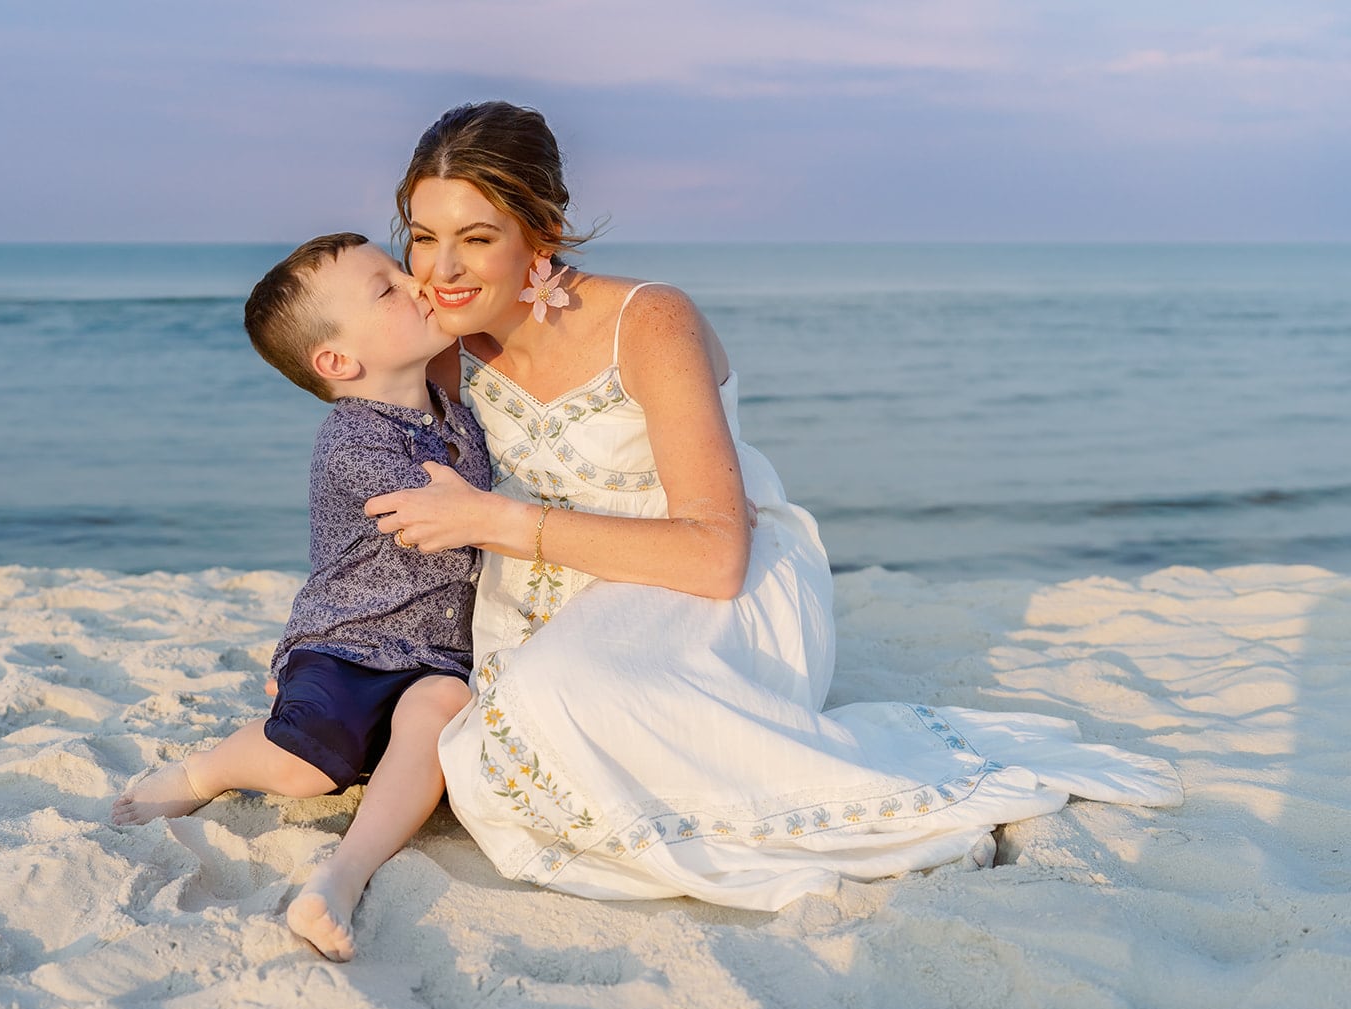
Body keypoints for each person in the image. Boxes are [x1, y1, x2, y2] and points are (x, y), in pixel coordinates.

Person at [364, 102, 1183, 910]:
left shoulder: (649, 321)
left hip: (722, 584)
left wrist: (497, 521)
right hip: (552, 599)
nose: (442, 269)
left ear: (541, 232)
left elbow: (717, 556)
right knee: (509, 740)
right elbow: (370, 453)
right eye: (424, 237)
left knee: (561, 693)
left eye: (478, 238)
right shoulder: (442, 347)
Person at [112, 233, 491, 958]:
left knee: (441, 705)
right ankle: (206, 768)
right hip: (351, 641)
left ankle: (341, 875)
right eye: (386, 288)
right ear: (339, 362)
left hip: (438, 653)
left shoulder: (454, 412)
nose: (416, 282)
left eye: (399, 269)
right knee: (308, 768)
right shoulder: (352, 440)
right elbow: (451, 518)